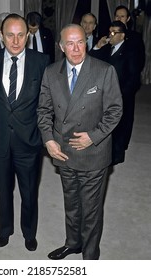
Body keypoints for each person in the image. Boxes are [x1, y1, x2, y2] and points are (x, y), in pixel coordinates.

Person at [37, 24, 122, 260]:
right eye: (70, 43)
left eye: (81, 42)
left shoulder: (104, 71)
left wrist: (93, 136)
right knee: (71, 203)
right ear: (61, 47)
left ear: (87, 42)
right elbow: (43, 111)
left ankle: (90, 256)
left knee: (91, 209)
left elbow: (115, 110)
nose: (76, 49)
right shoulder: (51, 72)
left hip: (93, 152)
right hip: (63, 151)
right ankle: (73, 243)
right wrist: (49, 140)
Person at [0, 13, 50, 251]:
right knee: (3, 189)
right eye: (10, 35)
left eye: (20, 35)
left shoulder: (42, 61)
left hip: (29, 140)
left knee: (29, 193)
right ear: (1, 36)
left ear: (27, 36)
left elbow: (46, 103)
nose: (15, 41)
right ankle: (4, 230)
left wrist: (46, 137)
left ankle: (29, 232)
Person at [89, 21, 141, 165]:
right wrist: (97, 46)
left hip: (121, 95)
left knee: (120, 126)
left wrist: (120, 96)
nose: (110, 35)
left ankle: (117, 156)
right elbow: (91, 61)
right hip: (103, 94)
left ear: (122, 35)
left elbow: (133, 78)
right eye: (109, 32)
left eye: (113, 33)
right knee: (105, 125)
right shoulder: (106, 49)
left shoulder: (130, 51)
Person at [114, 5, 145, 72]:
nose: (119, 19)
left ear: (128, 19)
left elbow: (140, 60)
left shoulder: (135, 37)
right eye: (117, 16)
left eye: (122, 16)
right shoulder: (109, 35)